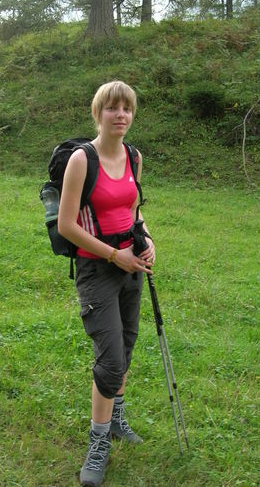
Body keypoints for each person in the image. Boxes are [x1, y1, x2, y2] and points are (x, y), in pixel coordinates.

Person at [57, 80, 155, 487]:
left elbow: (134, 210)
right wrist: (115, 255)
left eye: (127, 109)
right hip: (97, 270)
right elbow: (66, 226)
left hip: (131, 265)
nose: (121, 115)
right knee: (111, 359)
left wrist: (148, 240)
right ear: (98, 113)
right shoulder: (83, 159)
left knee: (127, 348)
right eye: (112, 108)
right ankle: (98, 444)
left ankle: (116, 419)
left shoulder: (134, 157)